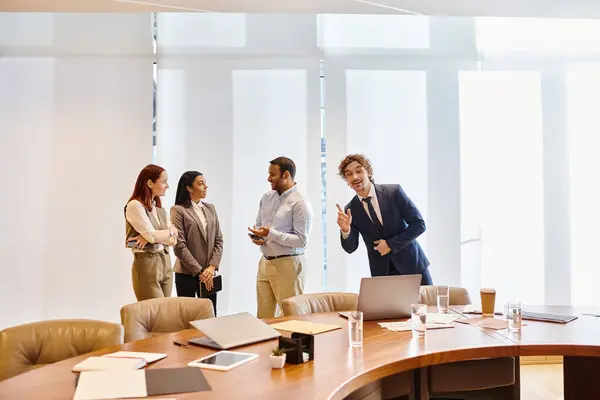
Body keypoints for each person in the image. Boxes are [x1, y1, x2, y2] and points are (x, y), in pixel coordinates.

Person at [335, 154, 432, 284]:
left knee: (427, 304)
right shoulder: (350, 209)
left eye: (359, 171)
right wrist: (346, 231)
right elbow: (350, 248)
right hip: (383, 274)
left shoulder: (394, 192)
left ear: (368, 172)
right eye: (349, 174)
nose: (355, 177)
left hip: (413, 266)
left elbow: (419, 225)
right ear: (346, 181)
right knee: (390, 306)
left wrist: (390, 245)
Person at [248, 157, 314, 318]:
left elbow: (301, 241)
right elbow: (259, 224)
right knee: (264, 317)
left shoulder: (300, 202)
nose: (268, 178)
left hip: (289, 264)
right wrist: (260, 237)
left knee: (290, 317)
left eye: (273, 174)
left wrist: (270, 234)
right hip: (265, 262)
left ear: (286, 175)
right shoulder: (266, 197)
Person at [170, 171, 223, 315]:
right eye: (201, 183)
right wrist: (200, 271)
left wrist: (211, 267)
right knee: (188, 318)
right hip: (187, 274)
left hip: (209, 274)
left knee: (210, 316)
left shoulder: (210, 208)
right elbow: (179, 245)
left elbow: (218, 240)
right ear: (189, 188)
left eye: (205, 183)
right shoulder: (178, 210)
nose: (205, 187)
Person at [125, 164, 177, 301]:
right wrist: (169, 231)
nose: (167, 186)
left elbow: (174, 240)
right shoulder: (135, 206)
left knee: (165, 312)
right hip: (147, 263)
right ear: (149, 183)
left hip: (165, 262)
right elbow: (153, 236)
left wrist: (156, 235)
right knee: (155, 313)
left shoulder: (160, 209)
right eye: (164, 181)